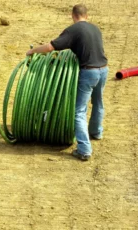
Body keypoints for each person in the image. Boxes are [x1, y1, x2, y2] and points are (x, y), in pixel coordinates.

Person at [26, 4, 108, 161]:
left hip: (88, 71)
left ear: (73, 15)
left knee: (78, 111)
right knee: (98, 102)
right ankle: (96, 132)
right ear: (87, 15)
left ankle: (84, 149)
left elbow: (51, 47)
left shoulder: (74, 29)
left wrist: (32, 51)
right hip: (103, 69)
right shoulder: (95, 28)